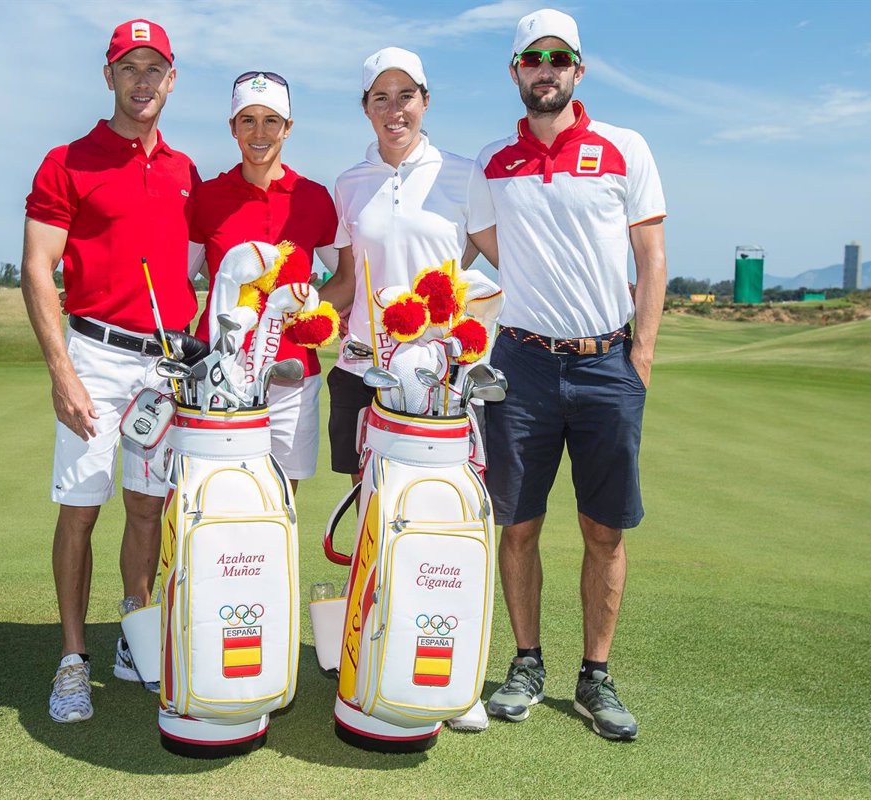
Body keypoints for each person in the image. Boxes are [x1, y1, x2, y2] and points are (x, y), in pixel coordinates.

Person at [477, 8, 667, 741]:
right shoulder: (496, 161)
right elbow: (492, 245)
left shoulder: (626, 148)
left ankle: (596, 676)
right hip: (520, 364)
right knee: (518, 527)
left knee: (605, 533)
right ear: (516, 71)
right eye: (532, 58)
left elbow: (650, 260)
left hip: (605, 364)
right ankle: (526, 663)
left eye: (559, 57)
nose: (546, 67)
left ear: (578, 70)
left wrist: (640, 356)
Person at [21, 19, 201, 724]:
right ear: (109, 76)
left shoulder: (187, 171)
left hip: (161, 365)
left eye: (155, 68)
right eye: (130, 68)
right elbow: (38, 268)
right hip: (93, 356)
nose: (143, 81)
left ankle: (136, 629)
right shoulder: (67, 161)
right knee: (82, 507)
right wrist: (62, 372)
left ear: (172, 79)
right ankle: (73, 658)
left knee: (147, 506)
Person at [318, 47, 499, 732]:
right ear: (366, 106)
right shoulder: (350, 182)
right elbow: (342, 281)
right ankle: (371, 651)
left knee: (441, 527)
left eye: (406, 96)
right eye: (380, 98)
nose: (394, 110)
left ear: (425, 100)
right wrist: (287, 315)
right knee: (374, 522)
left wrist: (463, 329)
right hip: (364, 374)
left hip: (442, 389)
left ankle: (452, 675)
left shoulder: (461, 175)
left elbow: (489, 265)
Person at [188, 71, 338, 489]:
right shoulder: (208, 197)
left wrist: (313, 306)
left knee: (281, 500)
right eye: (247, 120)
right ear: (232, 127)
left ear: (288, 127)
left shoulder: (314, 197)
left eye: (271, 120)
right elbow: (182, 274)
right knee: (216, 493)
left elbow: (345, 275)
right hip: (219, 370)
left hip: (292, 374)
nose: (259, 132)